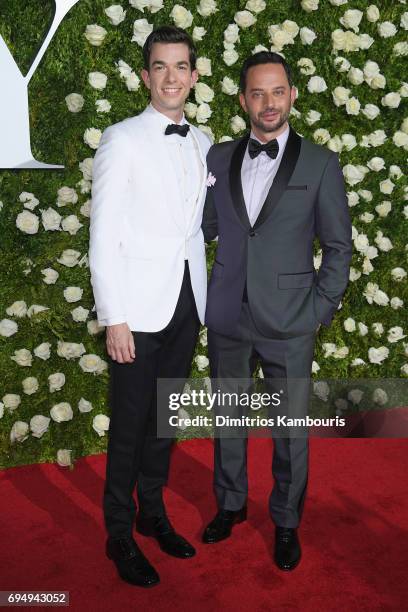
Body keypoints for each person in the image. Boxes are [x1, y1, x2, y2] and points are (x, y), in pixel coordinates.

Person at [201, 51, 352, 571]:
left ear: (292, 95)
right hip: (227, 315)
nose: (269, 103)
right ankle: (231, 505)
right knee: (227, 418)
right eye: (257, 93)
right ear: (242, 100)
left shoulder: (321, 163)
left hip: (291, 320)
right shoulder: (217, 159)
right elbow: (198, 229)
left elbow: (338, 247)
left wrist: (319, 309)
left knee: (289, 428)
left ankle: (286, 521)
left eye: (277, 91)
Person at [89, 25, 212, 587]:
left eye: (180, 66)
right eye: (160, 67)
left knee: (165, 421)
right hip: (136, 310)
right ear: (145, 76)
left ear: (193, 74)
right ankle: (119, 534)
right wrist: (113, 314)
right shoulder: (122, 138)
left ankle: (153, 514)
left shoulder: (205, 140)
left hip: (188, 301)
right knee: (131, 424)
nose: (171, 77)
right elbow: (103, 233)